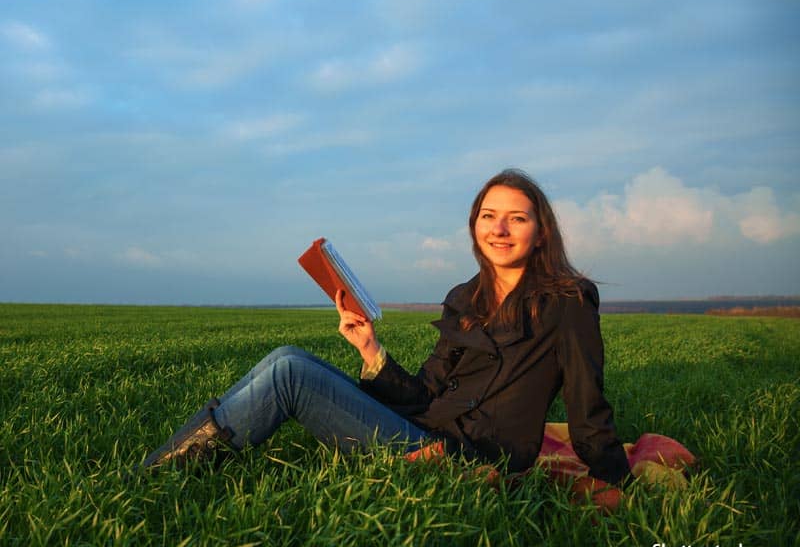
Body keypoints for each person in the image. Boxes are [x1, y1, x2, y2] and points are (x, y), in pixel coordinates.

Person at [142, 169, 631, 486]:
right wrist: (371, 350)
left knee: (290, 375)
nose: (498, 230)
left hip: (467, 460)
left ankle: (160, 477)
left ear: (540, 230)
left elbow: (589, 405)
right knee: (286, 357)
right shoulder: (466, 297)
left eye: (516, 219)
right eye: (488, 216)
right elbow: (424, 393)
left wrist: (616, 480)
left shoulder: (567, 302)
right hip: (421, 432)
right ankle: (170, 466)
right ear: (474, 225)